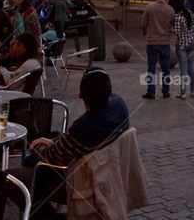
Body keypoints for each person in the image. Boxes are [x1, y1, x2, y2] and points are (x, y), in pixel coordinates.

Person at [21, 68, 131, 219]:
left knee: (17, 177)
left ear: (81, 96)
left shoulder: (84, 127)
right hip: (112, 174)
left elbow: (53, 157)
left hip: (85, 182)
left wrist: (39, 146)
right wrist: (56, 142)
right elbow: (71, 146)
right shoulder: (119, 106)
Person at [141, 0, 174, 99]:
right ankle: (166, 90)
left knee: (151, 67)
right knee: (166, 68)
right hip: (165, 42)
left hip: (152, 41)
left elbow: (143, 24)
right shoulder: (170, 9)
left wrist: (146, 33)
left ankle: (151, 91)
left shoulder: (149, 7)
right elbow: (173, 25)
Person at [170, 0, 194, 98]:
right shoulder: (189, 12)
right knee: (191, 68)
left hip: (181, 44)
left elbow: (177, 32)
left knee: (183, 70)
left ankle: (183, 92)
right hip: (192, 42)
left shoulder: (178, 17)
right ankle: (193, 90)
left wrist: (170, 27)